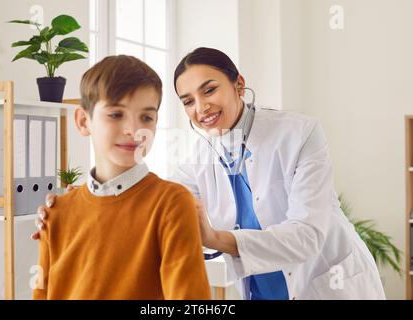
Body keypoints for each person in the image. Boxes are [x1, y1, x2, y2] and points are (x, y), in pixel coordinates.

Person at [33, 47, 386, 300]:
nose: (201, 108)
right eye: (187, 100)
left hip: (326, 284)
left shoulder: (300, 134)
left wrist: (216, 238)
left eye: (209, 89)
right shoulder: (196, 160)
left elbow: (307, 236)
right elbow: (142, 205)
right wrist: (71, 210)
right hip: (260, 288)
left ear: (238, 83)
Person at [32, 55, 211, 300]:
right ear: (84, 121)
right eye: (116, 114)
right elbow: (41, 292)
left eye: (146, 117)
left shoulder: (172, 203)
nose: (133, 130)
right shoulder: (56, 211)